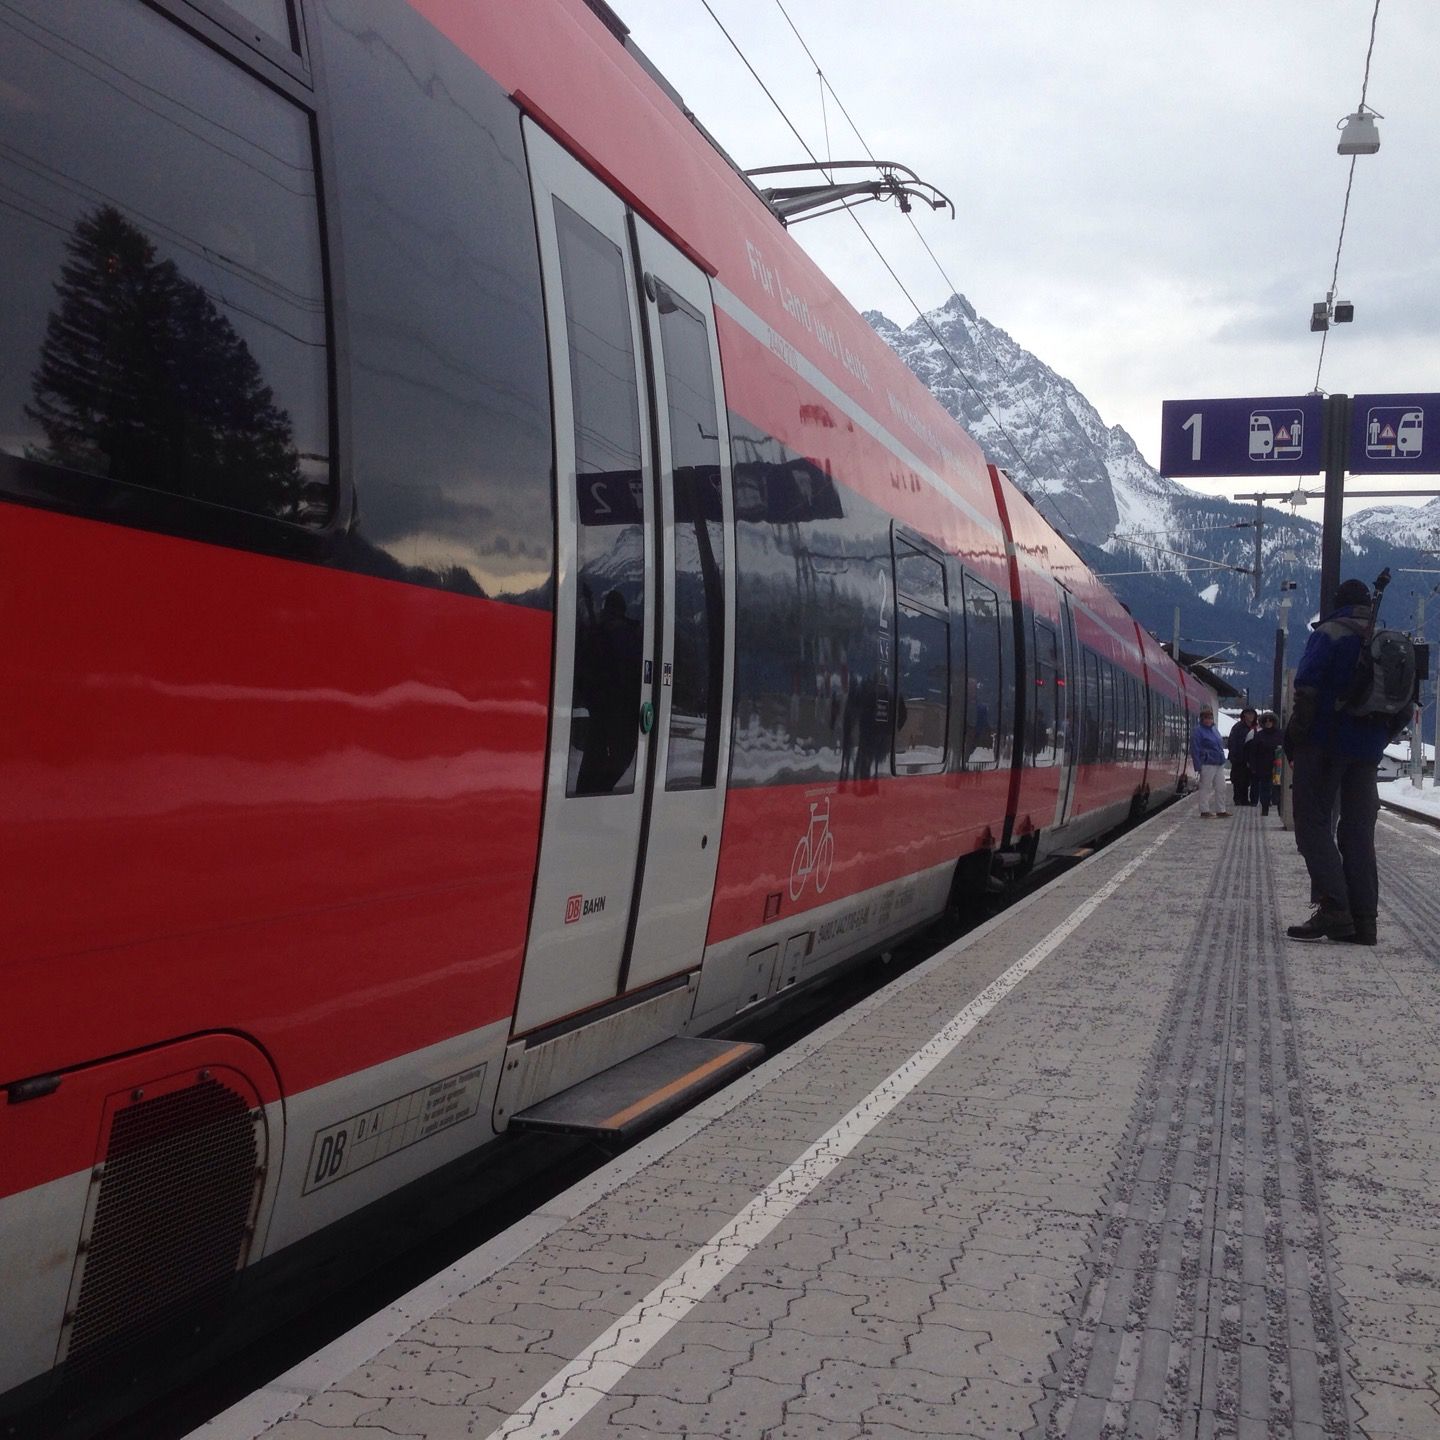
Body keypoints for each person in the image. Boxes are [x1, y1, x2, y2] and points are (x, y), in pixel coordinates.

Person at [1283, 578, 1390, 944]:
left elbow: (1307, 689)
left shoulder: (1330, 632)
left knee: (1312, 823)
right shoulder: (1385, 640)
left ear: (1337, 602)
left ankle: (1335, 910)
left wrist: (1295, 738)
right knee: (1358, 832)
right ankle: (1365, 922)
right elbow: (1404, 705)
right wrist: (1376, 742)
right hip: (1367, 754)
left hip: (1324, 745)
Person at [1190, 706, 1229, 818]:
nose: (1208, 720)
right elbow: (1195, 749)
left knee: (1221, 787)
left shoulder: (1214, 729)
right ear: (1202, 719)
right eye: (1206, 718)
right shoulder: (1198, 731)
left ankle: (1221, 810)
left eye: (1210, 717)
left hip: (1218, 763)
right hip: (1207, 763)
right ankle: (1204, 810)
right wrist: (1198, 766)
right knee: (1205, 787)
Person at [1244, 712, 1284, 816]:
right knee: (1265, 788)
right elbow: (1252, 752)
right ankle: (1265, 808)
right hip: (1263, 766)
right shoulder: (1259, 735)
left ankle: (1280, 808)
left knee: (1278, 789)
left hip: (1278, 767)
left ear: (1274, 722)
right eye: (1265, 720)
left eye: (1270, 720)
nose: (1268, 722)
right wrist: (1253, 766)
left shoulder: (1280, 734)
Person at [1227, 706, 1258, 806]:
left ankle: (1244, 799)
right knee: (1238, 780)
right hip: (1239, 758)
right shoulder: (1237, 727)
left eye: (1252, 714)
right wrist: (1233, 756)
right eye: (1248, 714)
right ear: (1244, 715)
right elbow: (1232, 742)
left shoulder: (1255, 728)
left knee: (1247, 780)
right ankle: (1237, 798)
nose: (1250, 716)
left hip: (1250, 758)